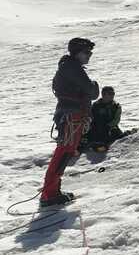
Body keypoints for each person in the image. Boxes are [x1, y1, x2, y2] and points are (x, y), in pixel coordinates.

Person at [41, 37, 99, 206]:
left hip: (70, 115)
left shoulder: (68, 67)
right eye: (86, 52)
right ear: (77, 53)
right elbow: (92, 91)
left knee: (64, 152)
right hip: (72, 116)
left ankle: (52, 191)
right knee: (64, 153)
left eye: (90, 52)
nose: (89, 55)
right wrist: (94, 85)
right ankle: (50, 194)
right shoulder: (73, 68)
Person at [85, 86, 124, 150]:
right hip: (96, 127)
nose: (112, 96)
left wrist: (108, 126)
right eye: (110, 94)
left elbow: (116, 120)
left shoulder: (116, 106)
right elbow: (90, 117)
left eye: (113, 94)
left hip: (109, 127)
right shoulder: (96, 105)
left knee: (115, 134)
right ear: (103, 94)